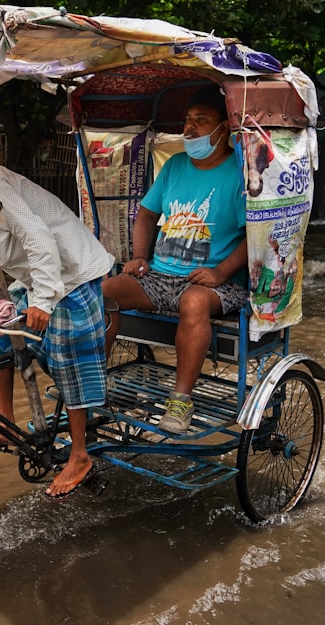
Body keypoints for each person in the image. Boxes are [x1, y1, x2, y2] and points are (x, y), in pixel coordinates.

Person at [0, 139, 115, 500]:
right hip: (38, 274)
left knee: (66, 356)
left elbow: (37, 237)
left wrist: (42, 301)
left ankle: (79, 456)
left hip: (73, 273)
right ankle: (5, 422)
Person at [101, 85, 248, 434]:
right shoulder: (176, 166)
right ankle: (95, 380)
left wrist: (220, 271)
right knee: (102, 292)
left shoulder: (240, 172)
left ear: (223, 128)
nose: (190, 128)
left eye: (201, 121)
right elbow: (147, 214)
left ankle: (180, 401)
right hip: (159, 275)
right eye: (187, 120)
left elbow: (254, 236)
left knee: (195, 303)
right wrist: (139, 257)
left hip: (217, 282)